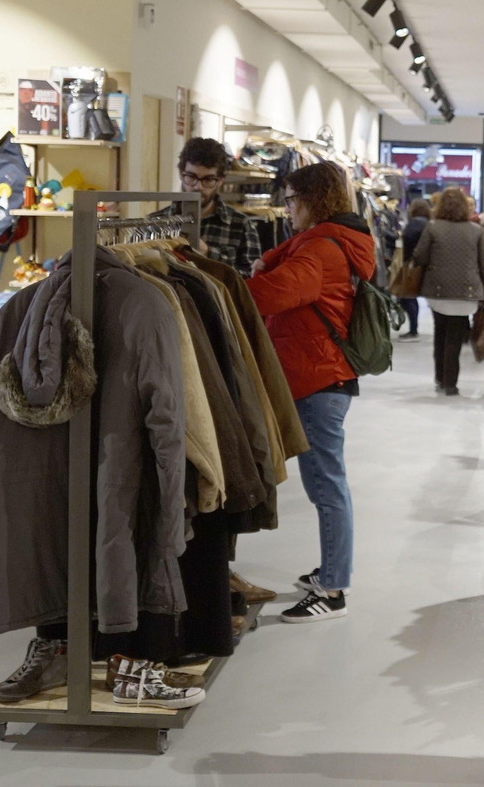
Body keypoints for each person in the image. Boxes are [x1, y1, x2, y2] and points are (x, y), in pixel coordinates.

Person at [246, 162, 376, 624]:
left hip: (317, 378)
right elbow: (288, 262)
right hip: (318, 375)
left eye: (291, 200)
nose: (287, 210)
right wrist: (268, 260)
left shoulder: (321, 250)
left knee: (326, 485)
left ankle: (334, 589)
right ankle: (331, 570)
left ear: (311, 201)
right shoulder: (326, 242)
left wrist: (228, 287)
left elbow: (272, 295)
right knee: (324, 482)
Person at [413, 188, 484, 396]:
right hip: (466, 292)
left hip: (437, 290)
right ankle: (450, 383)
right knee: (455, 337)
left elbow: (419, 256)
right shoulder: (476, 230)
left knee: (440, 332)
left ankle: (440, 377)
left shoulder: (432, 227)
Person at [166, 137, 263, 277]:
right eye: (191, 177)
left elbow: (250, 281)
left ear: (220, 181)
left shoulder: (242, 226)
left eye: (208, 180)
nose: (198, 187)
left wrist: (208, 254)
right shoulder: (156, 221)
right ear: (181, 174)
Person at [397, 199, 432, 339]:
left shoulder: (415, 223)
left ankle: (413, 329)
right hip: (421, 264)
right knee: (409, 297)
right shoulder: (428, 222)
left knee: (407, 296)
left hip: (412, 264)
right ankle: (413, 328)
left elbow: (407, 239)